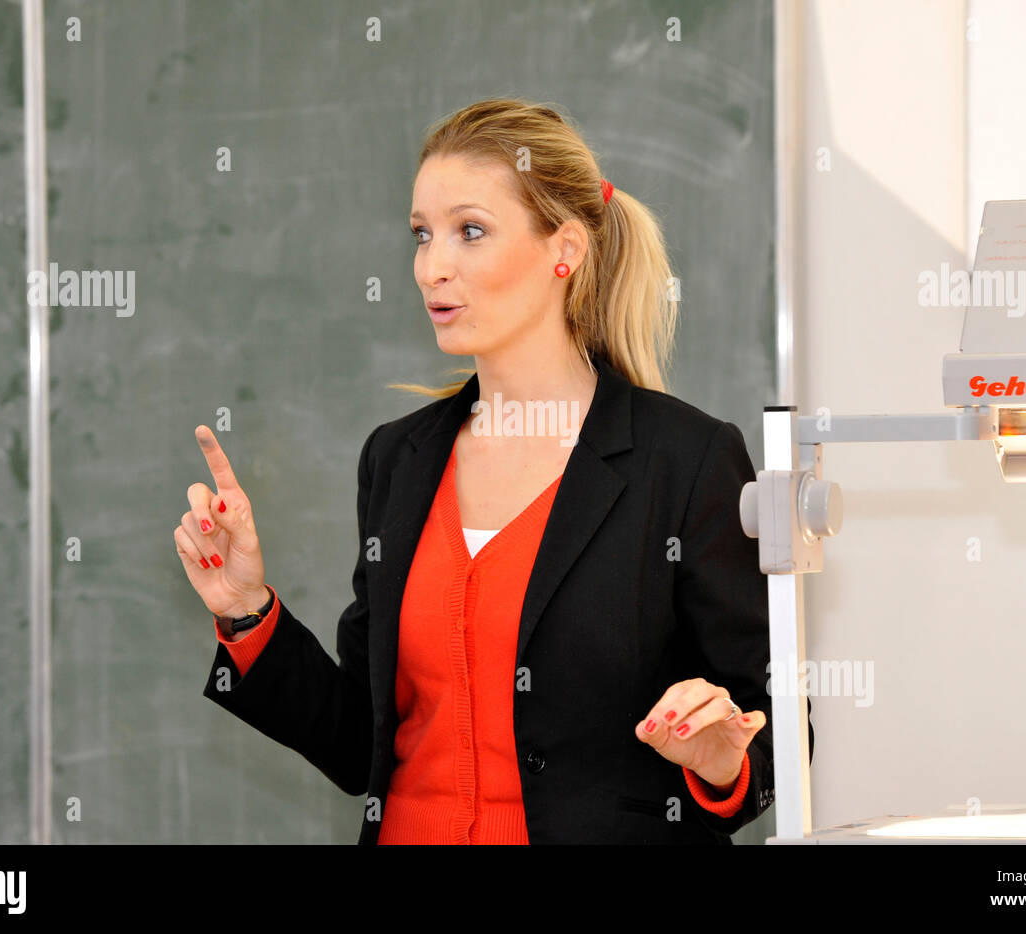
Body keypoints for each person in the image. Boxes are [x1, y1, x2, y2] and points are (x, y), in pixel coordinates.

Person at [174, 97, 813, 844]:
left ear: (563, 250)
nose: (431, 266)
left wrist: (719, 761)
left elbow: (778, 733)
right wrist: (248, 611)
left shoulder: (685, 461)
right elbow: (364, 746)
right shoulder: (395, 460)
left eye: (469, 231)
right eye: (421, 235)